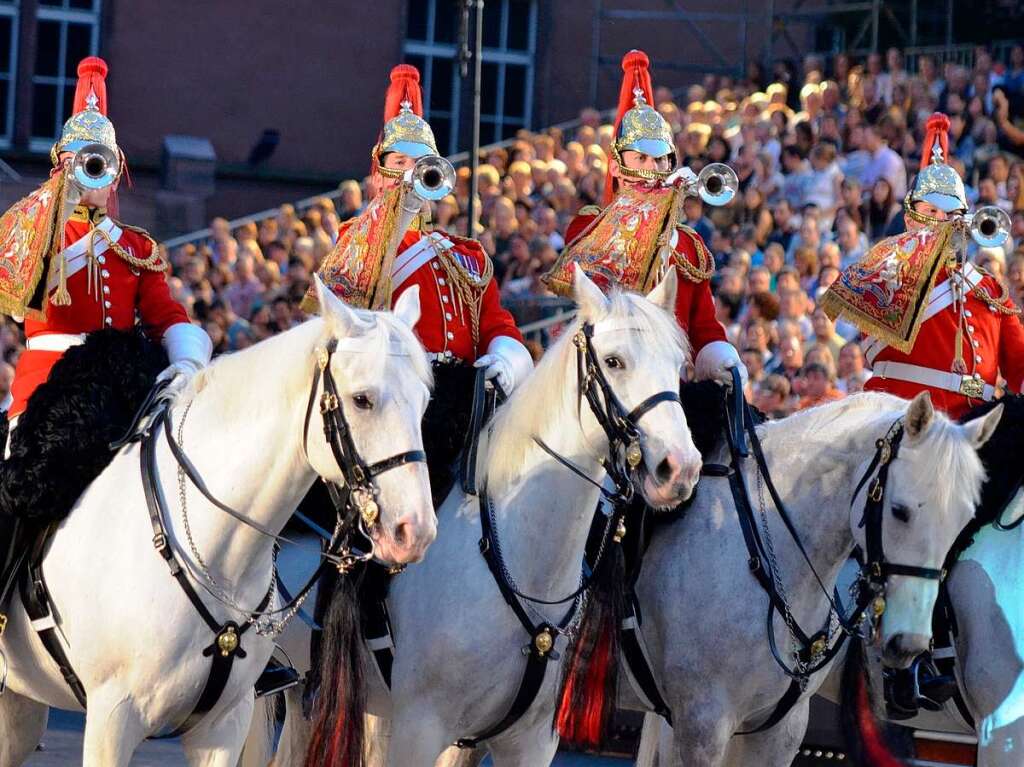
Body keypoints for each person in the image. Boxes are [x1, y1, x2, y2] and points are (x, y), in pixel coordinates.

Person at [0, 58, 211, 627]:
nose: (97, 173)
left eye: (104, 163)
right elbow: (14, 295)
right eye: (84, 162)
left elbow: (167, 315)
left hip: (121, 382)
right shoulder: (32, 232)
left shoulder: (135, 247)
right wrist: (56, 206)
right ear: (63, 166)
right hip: (47, 383)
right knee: (21, 478)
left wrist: (187, 359)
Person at [310, 64, 532, 506]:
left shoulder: (465, 252)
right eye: (400, 163)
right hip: (402, 399)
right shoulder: (359, 240)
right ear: (381, 172)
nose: (411, 173)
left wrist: (504, 358)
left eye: (420, 165)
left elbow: (496, 324)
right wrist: (391, 218)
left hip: (467, 400)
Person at [551, 49, 745, 386]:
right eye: (641, 158)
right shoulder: (589, 224)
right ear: (616, 166)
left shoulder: (687, 242)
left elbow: (703, 327)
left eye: (660, 161)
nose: (652, 169)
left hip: (670, 384)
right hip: (609, 381)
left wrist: (723, 358)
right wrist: (654, 211)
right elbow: (606, 282)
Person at [824, 112, 1024, 420]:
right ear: (909, 219)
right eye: (932, 211)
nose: (945, 220)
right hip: (906, 420)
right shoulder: (890, 268)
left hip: (979, 423)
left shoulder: (990, 288)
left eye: (953, 213)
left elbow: (1018, 364)